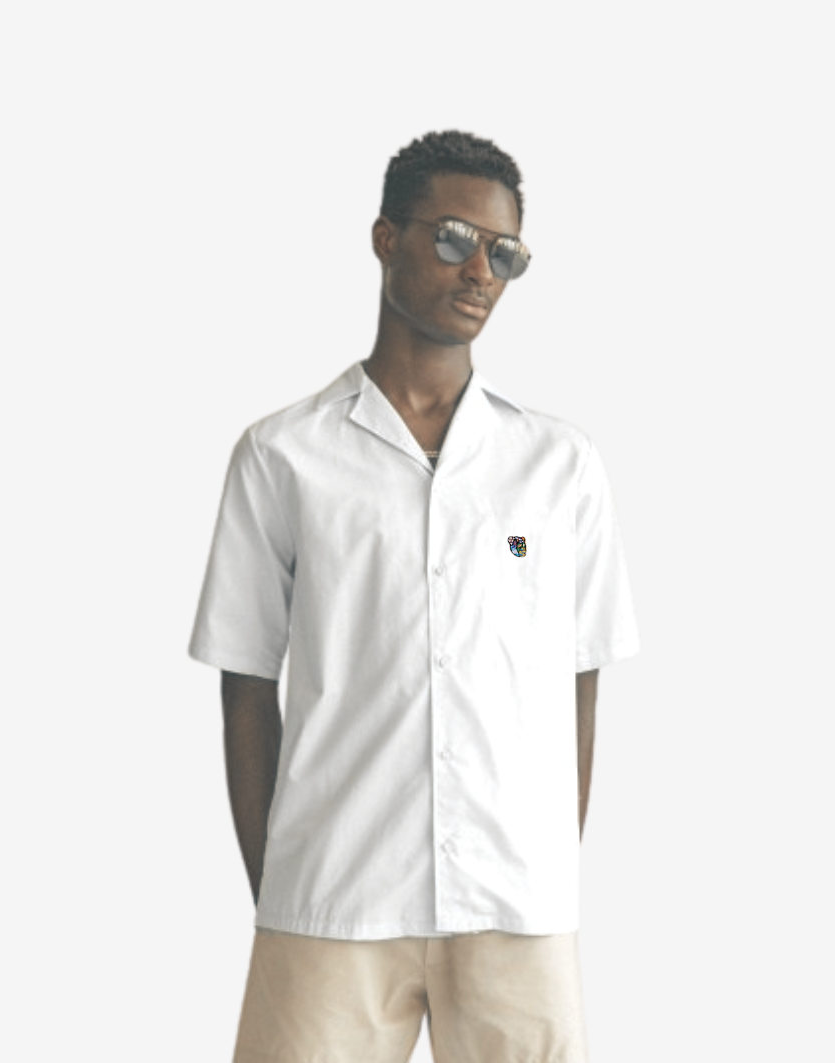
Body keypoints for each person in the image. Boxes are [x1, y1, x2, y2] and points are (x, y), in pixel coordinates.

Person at [188, 129, 640, 1063]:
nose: (480, 271)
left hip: (516, 908)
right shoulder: (283, 456)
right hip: (334, 896)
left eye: (504, 253)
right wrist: (285, 888)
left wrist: (544, 867)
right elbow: (245, 686)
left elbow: (579, 678)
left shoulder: (560, 465)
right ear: (385, 239)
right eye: (453, 238)